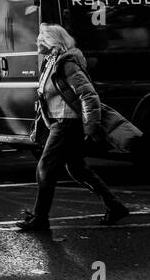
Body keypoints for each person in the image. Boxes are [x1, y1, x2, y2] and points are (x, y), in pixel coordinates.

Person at [19, 24, 130, 232]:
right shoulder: (50, 61)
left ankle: (40, 218)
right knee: (77, 168)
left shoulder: (67, 63)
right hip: (58, 121)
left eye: (40, 40)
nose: (37, 44)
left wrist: (90, 127)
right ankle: (115, 207)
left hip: (67, 122)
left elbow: (88, 95)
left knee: (45, 167)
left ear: (52, 42)